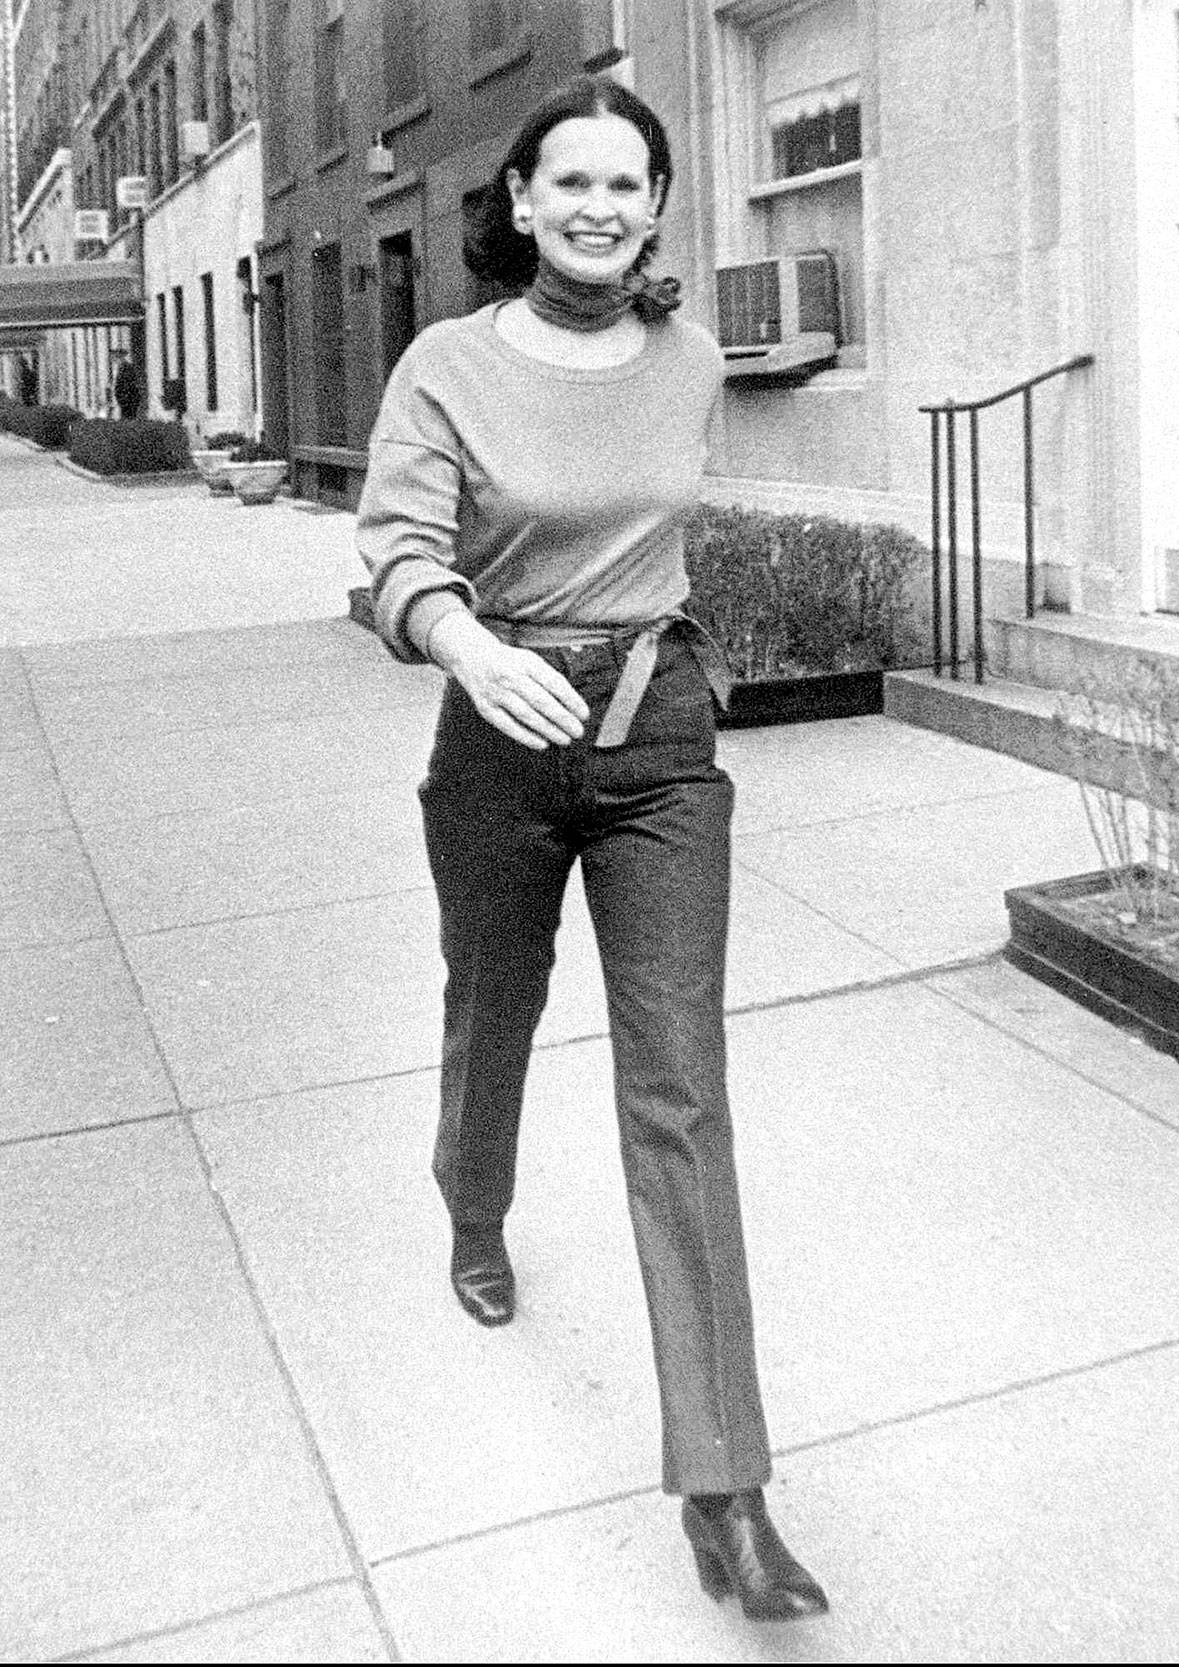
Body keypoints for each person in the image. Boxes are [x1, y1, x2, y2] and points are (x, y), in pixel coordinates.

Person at [356, 74, 828, 1624]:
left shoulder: (686, 355)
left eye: (631, 185)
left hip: (661, 742)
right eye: (574, 184)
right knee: (491, 1007)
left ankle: (726, 1487)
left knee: (680, 1086)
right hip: (499, 735)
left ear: (655, 205)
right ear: (518, 199)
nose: (603, 209)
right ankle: (473, 1206)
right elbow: (396, 552)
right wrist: (459, 644)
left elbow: (662, 524)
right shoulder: (447, 364)